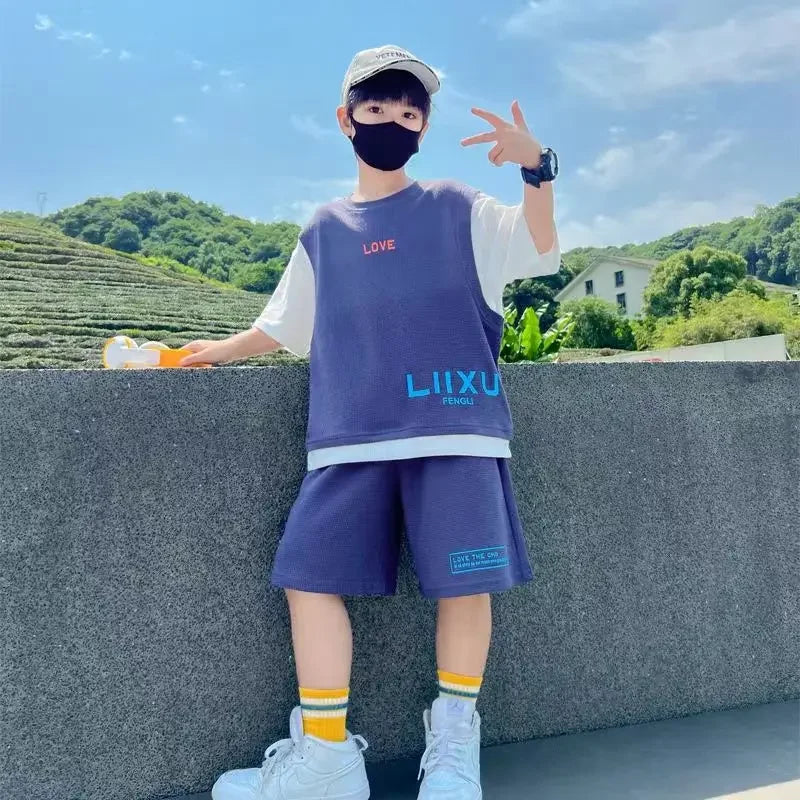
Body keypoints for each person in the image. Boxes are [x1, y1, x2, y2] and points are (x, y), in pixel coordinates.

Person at [181, 44, 560, 800]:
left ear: (424, 127)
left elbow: (539, 245)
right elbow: (282, 326)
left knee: (463, 587)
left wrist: (537, 168)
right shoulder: (324, 229)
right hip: (347, 440)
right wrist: (210, 352)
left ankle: (453, 751)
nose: (393, 120)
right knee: (307, 577)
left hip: (455, 430)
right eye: (377, 107)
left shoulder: (457, 206)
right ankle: (327, 761)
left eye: (410, 111)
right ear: (345, 118)